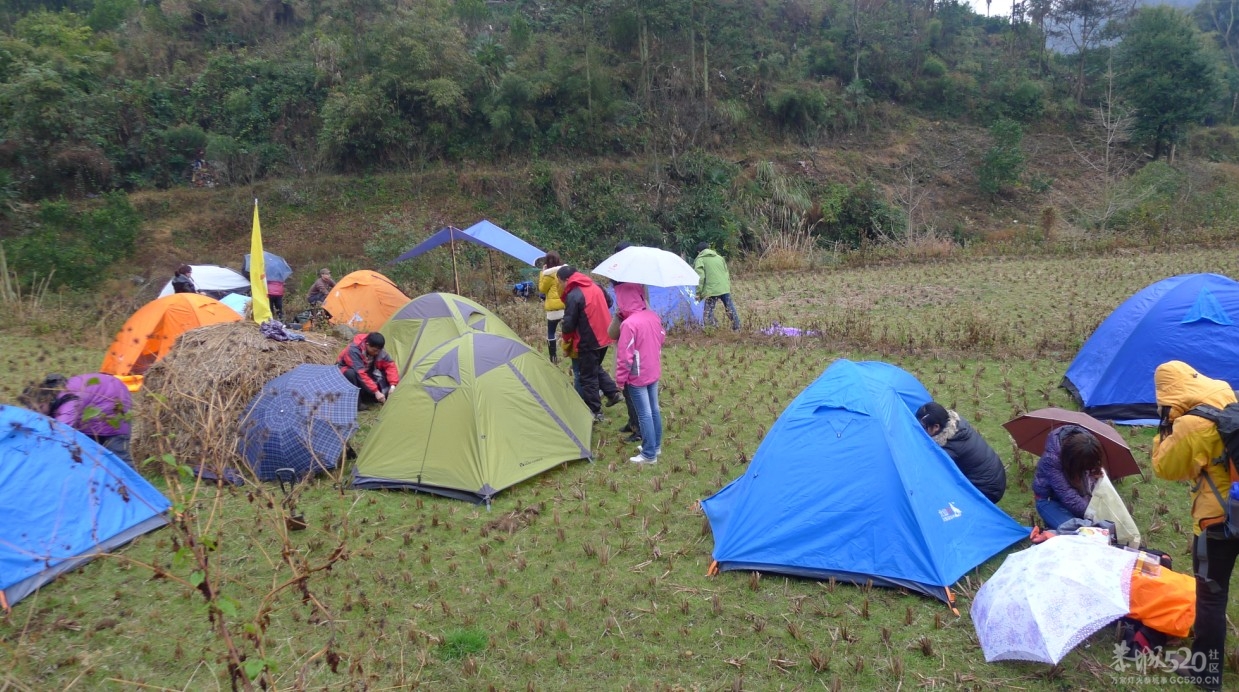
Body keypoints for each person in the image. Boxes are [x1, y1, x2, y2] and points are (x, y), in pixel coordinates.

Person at [1152, 360, 1237, 691]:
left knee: (1212, 597)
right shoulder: (1225, 392)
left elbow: (1166, 468)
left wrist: (1165, 431)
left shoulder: (1190, 425)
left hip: (1217, 520)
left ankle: (1206, 673)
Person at [19, 372, 134, 466]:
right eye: (32, 409)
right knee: (92, 454)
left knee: (119, 458)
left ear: (46, 400)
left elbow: (61, 434)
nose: (37, 412)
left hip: (115, 405)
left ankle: (137, 489)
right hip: (100, 401)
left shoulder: (68, 403)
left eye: (39, 408)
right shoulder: (55, 392)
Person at [558, 265, 623, 421]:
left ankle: (595, 411)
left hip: (589, 339)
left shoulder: (574, 295)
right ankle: (612, 393)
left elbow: (568, 324)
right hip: (605, 335)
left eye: (559, 282)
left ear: (567, 280)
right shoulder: (595, 285)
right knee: (594, 368)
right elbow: (608, 302)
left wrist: (566, 340)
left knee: (588, 377)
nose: (559, 285)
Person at [915, 402, 1007, 503]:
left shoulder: (948, 449)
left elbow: (934, 475)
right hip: (995, 478)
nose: (920, 430)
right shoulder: (957, 424)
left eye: (923, 427)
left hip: (987, 490)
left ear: (936, 427)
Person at [615, 284, 665, 464]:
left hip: (637, 375)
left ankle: (649, 454)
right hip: (653, 369)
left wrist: (620, 380)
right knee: (654, 410)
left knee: (644, 413)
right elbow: (661, 337)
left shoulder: (629, 324)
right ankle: (655, 446)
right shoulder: (652, 316)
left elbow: (624, 356)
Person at [1031, 424, 1103, 530]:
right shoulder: (1052, 460)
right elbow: (1067, 494)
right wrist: (1092, 514)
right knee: (1078, 531)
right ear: (1072, 460)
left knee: (1096, 526)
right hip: (1049, 500)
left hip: (1078, 496)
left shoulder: (1088, 446)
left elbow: (1090, 478)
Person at [337, 332, 400, 406]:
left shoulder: (378, 349)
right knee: (350, 374)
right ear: (367, 345)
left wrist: (393, 385)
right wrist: (376, 391)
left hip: (366, 370)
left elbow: (390, 365)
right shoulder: (353, 350)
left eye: (378, 351)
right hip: (345, 371)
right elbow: (360, 373)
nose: (376, 353)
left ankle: (368, 395)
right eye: (374, 350)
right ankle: (356, 403)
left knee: (381, 376)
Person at [693, 242, 740, 331]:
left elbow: (700, 277)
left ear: (699, 252)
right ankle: (737, 327)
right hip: (724, 288)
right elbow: (726, 272)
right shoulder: (719, 258)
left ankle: (712, 329)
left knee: (708, 312)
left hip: (711, 290)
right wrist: (726, 286)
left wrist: (698, 292)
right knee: (730, 307)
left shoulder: (700, 260)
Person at [538, 252, 566, 364]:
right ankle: (570, 352)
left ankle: (553, 357)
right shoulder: (564, 271)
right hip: (564, 305)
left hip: (553, 308)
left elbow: (542, 289)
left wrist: (542, 273)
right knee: (568, 330)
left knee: (551, 332)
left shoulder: (548, 274)